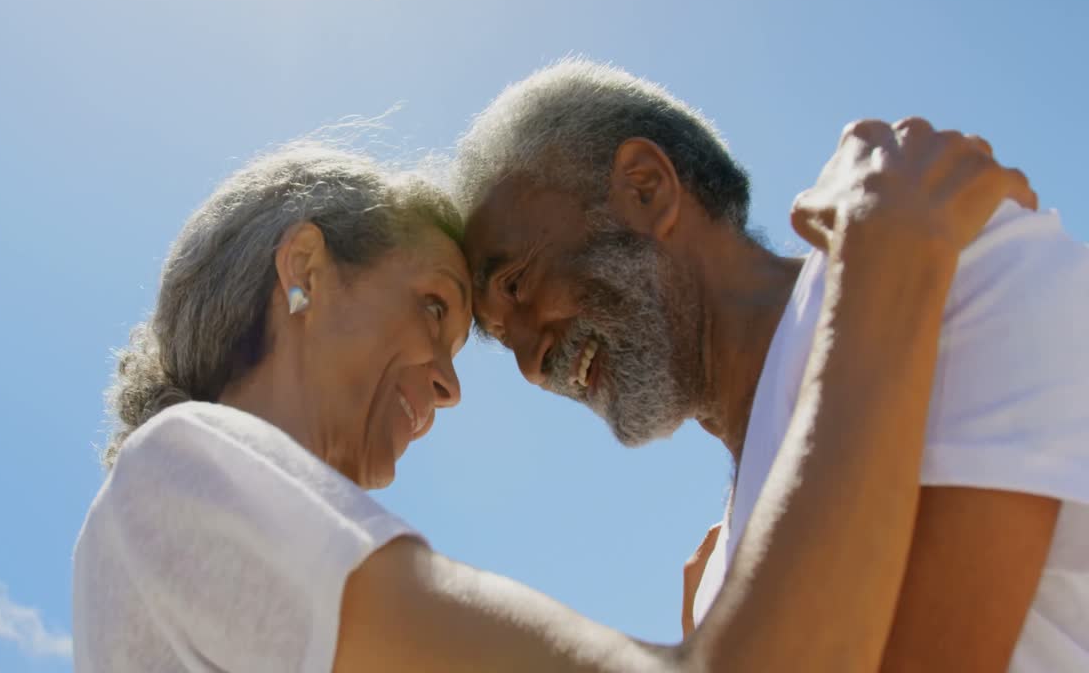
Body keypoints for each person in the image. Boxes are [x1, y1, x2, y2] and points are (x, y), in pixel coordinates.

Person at [72, 128, 1031, 672]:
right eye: (434, 308)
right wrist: (883, 260)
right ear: (304, 270)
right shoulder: (180, 469)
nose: (450, 386)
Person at [455, 58, 1088, 672]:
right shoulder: (716, 589)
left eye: (517, 284)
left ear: (645, 188)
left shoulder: (951, 251)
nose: (531, 365)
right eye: (506, 340)